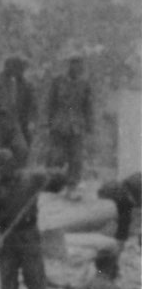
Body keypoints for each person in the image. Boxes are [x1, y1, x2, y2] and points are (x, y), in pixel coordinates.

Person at [0, 149, 62, 289]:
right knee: (8, 275)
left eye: (0, 168)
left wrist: (56, 175)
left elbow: (56, 182)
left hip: (28, 233)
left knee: (34, 273)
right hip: (7, 237)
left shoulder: (31, 178)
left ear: (10, 165)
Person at [44, 54, 94, 189]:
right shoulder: (58, 81)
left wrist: (90, 125)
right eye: (74, 64)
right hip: (59, 122)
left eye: (79, 65)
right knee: (57, 155)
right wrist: (48, 122)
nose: (77, 67)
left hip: (77, 124)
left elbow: (88, 106)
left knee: (76, 157)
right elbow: (50, 103)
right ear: (69, 65)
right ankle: (52, 183)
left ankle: (73, 184)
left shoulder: (84, 84)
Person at [0, 55, 35, 169]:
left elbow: (30, 105)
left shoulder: (21, 84)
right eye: (15, 67)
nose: (18, 71)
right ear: (7, 67)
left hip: (13, 122)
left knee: (22, 149)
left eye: (19, 68)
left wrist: (30, 121)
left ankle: (15, 176)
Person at [97, 172, 142, 245]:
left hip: (126, 192)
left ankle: (121, 240)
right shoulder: (124, 195)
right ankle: (121, 241)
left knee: (124, 219)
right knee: (124, 219)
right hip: (126, 193)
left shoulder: (122, 195)